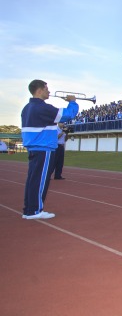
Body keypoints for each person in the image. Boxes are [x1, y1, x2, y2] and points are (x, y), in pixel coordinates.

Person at [21, 79, 79, 220]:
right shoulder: (42, 107)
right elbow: (68, 115)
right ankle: (35, 211)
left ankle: (29, 209)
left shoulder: (27, 107)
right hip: (43, 147)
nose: (49, 91)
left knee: (33, 180)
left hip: (34, 147)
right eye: (46, 89)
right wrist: (73, 102)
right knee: (41, 180)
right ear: (39, 90)